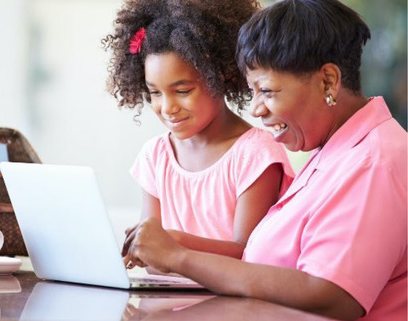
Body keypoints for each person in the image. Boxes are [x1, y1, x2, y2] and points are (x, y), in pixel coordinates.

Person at [121, 0, 407, 320]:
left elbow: (331, 294)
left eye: (267, 91)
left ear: (328, 81)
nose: (256, 109)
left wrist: (179, 256)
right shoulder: (331, 153)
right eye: (253, 91)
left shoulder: (373, 162)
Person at [103, 0, 294, 262]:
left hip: (232, 301)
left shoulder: (255, 155)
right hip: (164, 299)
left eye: (182, 91)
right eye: (155, 93)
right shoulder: (156, 156)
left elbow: (249, 256)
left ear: (222, 76)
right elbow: (151, 255)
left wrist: (175, 243)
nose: (167, 107)